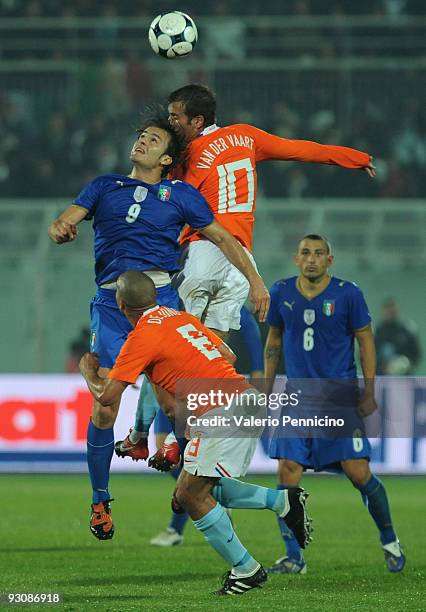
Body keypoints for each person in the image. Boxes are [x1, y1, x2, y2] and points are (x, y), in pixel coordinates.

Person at [121, 82, 376, 463]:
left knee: (164, 352)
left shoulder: (187, 155)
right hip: (241, 265)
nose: (171, 123)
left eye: (176, 117)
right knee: (209, 357)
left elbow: (172, 206)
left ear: (198, 121)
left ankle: (143, 435)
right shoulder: (246, 136)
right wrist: (354, 157)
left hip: (205, 253)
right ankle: (189, 440)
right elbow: (303, 150)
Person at [48, 107, 270, 541]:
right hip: (112, 303)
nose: (143, 142)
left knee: (178, 403)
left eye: (154, 140)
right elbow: (65, 220)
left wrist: (256, 282)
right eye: (142, 136)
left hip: (162, 300)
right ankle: (99, 499)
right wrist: (60, 228)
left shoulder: (181, 195)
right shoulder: (104, 185)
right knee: (105, 404)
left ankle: (185, 471)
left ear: (169, 159)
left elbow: (226, 239)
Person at [79, 270, 312, 596]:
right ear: (153, 297)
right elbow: (227, 355)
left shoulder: (141, 338)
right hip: (244, 400)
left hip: (221, 410)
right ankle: (281, 501)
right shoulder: (179, 318)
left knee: (190, 496)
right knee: (193, 491)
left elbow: (106, 396)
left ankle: (247, 570)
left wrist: (87, 372)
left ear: (120, 303)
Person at [264, 234, 405, 574]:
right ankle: (293, 556)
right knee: (287, 471)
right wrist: (265, 390)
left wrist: (368, 391)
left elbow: (366, 342)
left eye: (318, 253)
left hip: (339, 397)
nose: (311, 258)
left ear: (330, 259)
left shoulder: (348, 293)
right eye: (305, 253)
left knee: (358, 472)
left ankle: (389, 540)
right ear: (296, 259)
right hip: (298, 397)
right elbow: (273, 342)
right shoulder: (281, 292)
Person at [147, 304, 265, 548]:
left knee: (191, 461)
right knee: (165, 452)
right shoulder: (174, 303)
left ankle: (175, 527)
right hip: (171, 383)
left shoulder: (226, 301)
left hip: (206, 389)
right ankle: (207, 499)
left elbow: (249, 334)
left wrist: (257, 375)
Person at [375, 297, 421, 375]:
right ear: (383, 311)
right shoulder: (376, 333)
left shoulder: (407, 331)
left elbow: (416, 354)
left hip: (404, 378)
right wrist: (383, 367)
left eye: (392, 309)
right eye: (387, 309)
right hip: (382, 379)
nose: (390, 312)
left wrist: (407, 363)